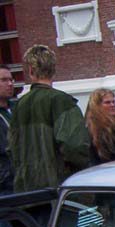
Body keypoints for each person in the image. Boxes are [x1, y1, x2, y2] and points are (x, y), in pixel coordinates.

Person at [9, 45, 90, 193]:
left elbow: (12, 148)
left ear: (31, 71)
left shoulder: (19, 105)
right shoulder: (62, 101)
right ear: (53, 70)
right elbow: (75, 147)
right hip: (59, 188)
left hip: (26, 190)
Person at [0, 65, 15, 194]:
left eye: (11, 80)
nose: (10, 84)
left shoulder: (18, 109)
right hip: (5, 186)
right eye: (4, 80)